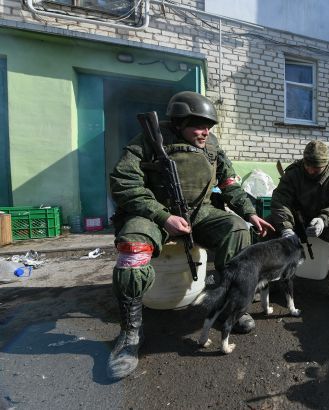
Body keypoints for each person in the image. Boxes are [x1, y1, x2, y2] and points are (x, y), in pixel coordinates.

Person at [107, 91, 274, 380]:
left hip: (199, 212)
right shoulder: (149, 139)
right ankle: (130, 333)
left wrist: (249, 213)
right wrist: (162, 216)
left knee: (236, 230)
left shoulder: (212, 146)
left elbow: (230, 182)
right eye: (198, 125)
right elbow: (124, 182)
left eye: (209, 126)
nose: (205, 131)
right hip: (154, 212)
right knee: (132, 250)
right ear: (179, 122)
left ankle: (227, 306)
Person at [270, 140, 329, 313]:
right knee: (269, 225)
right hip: (296, 220)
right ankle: (268, 281)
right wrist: (286, 227)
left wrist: (324, 220)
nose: (310, 170)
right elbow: (280, 201)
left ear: (325, 165)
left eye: (315, 168)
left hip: (326, 222)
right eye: (307, 165)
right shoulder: (294, 173)